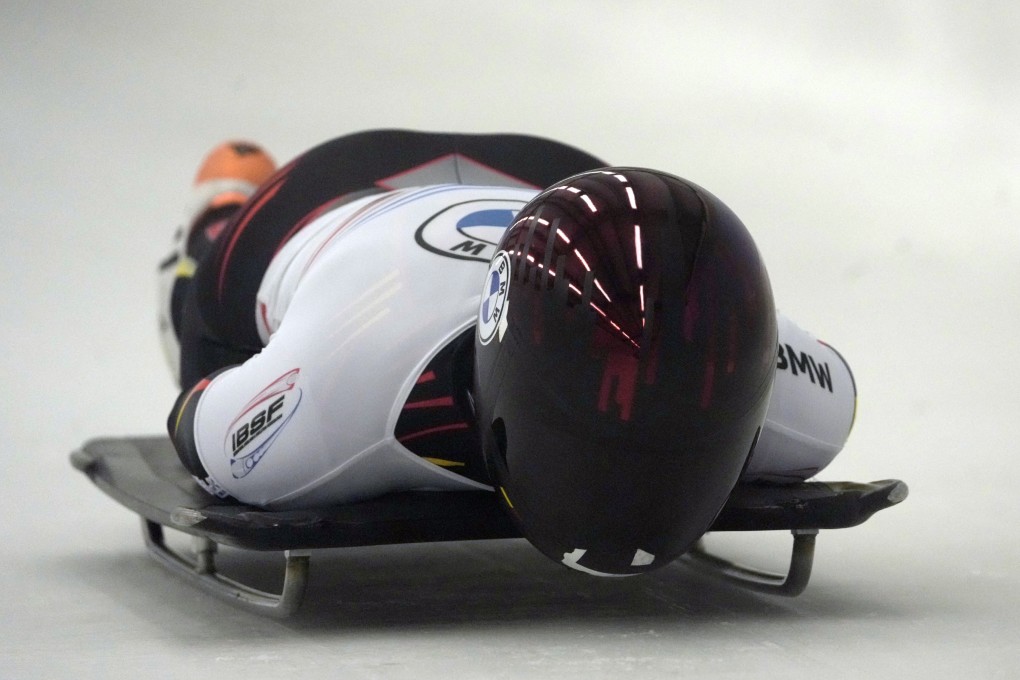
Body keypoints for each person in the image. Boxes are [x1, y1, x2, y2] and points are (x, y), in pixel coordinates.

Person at [159, 129, 857, 575]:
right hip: (312, 206)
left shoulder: (774, 373)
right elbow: (197, 422)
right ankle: (222, 208)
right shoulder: (342, 384)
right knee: (197, 316)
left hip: (567, 188)